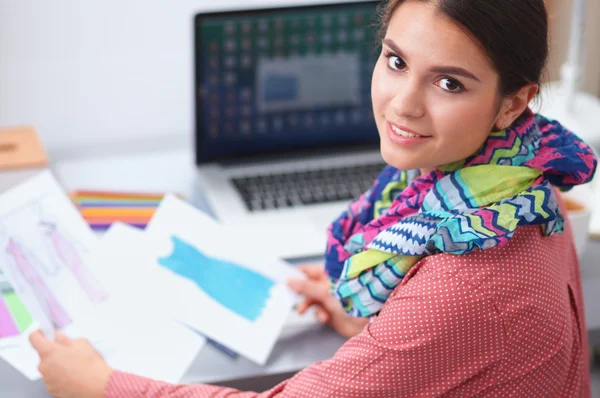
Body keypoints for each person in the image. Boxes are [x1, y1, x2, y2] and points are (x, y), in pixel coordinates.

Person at [29, 0, 597, 396]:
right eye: (396, 61)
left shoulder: (469, 278)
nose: (402, 105)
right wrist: (383, 321)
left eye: (449, 83)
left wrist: (101, 387)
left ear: (510, 103)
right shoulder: (521, 179)